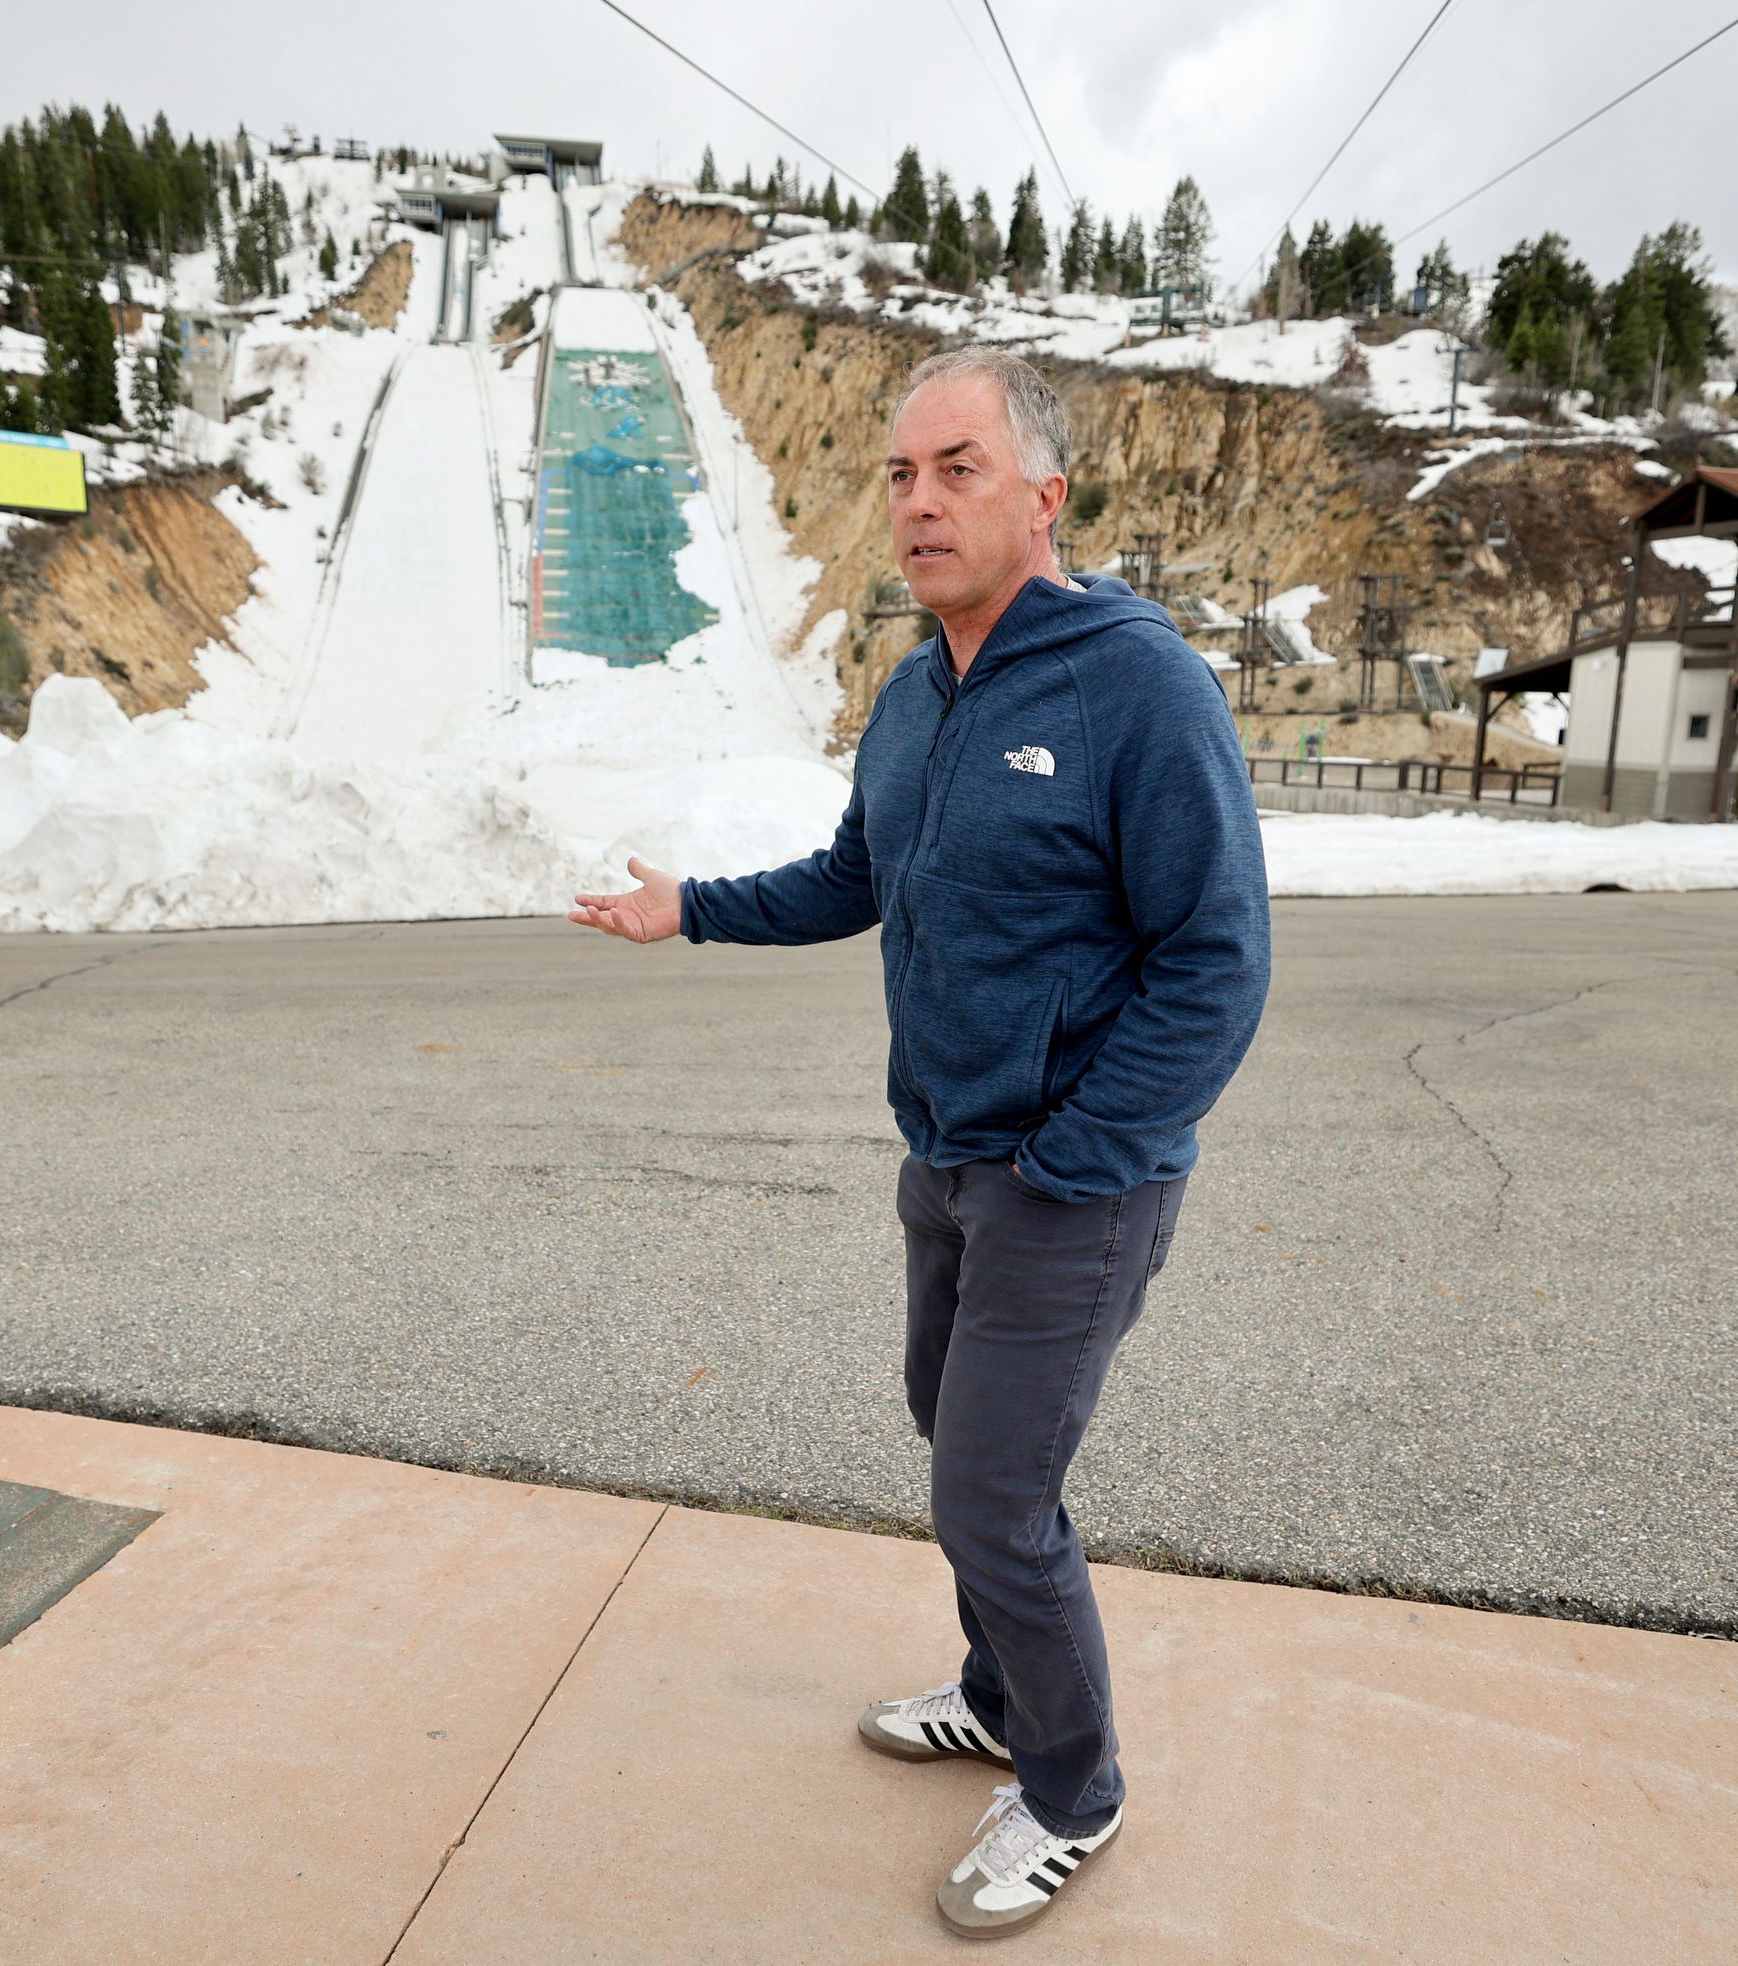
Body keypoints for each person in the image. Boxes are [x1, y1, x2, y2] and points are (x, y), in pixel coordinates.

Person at [568, 346, 1269, 1939]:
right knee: (942, 1425)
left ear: (1044, 493)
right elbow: (853, 874)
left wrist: (1079, 1153)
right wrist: (692, 910)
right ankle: (997, 1690)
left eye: (956, 467)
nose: (919, 501)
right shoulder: (919, 688)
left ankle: (1074, 1786)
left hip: (1069, 1177)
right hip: (946, 1156)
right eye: (899, 473)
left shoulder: (1136, 683)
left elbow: (1218, 958)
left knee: (992, 1491)